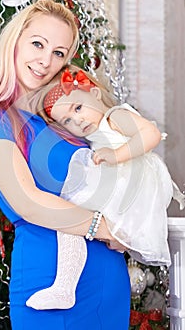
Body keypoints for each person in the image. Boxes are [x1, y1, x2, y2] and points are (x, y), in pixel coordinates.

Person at [0, 0, 131, 330]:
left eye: (59, 53)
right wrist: (110, 228)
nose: (46, 61)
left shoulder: (60, 121)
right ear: (15, 41)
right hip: (51, 281)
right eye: (38, 44)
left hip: (108, 278)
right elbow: (27, 201)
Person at [26, 66, 185, 310]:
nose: (77, 120)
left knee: (69, 217)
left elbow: (150, 134)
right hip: (119, 181)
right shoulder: (95, 131)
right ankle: (66, 285)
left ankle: (65, 286)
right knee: (71, 220)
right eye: (67, 120)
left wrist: (117, 154)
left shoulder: (116, 116)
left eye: (78, 108)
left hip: (134, 177)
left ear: (96, 94)